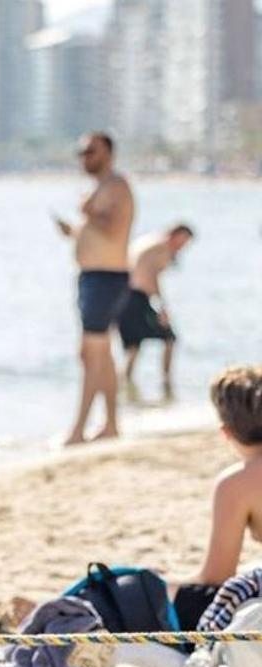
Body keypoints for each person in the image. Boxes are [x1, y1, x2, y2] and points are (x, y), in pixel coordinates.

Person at [54, 132, 135, 446]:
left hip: (106, 278)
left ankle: (78, 430)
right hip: (94, 278)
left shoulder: (117, 186)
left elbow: (115, 229)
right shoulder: (99, 188)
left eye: (90, 151)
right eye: (81, 152)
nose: (84, 157)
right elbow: (99, 232)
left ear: (109, 153)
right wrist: (74, 232)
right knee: (100, 355)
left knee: (91, 354)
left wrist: (89, 215)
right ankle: (111, 424)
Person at [167, 366, 262, 629]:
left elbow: (216, 576)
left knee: (165, 594)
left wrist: (168, 584)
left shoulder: (236, 483)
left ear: (226, 432)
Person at [120, 224, 195, 400]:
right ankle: (166, 382)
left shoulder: (152, 240)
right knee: (168, 338)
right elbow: (149, 277)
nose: (182, 247)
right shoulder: (160, 247)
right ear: (175, 235)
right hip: (134, 297)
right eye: (182, 241)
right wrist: (162, 307)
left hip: (124, 295)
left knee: (133, 347)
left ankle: (126, 391)